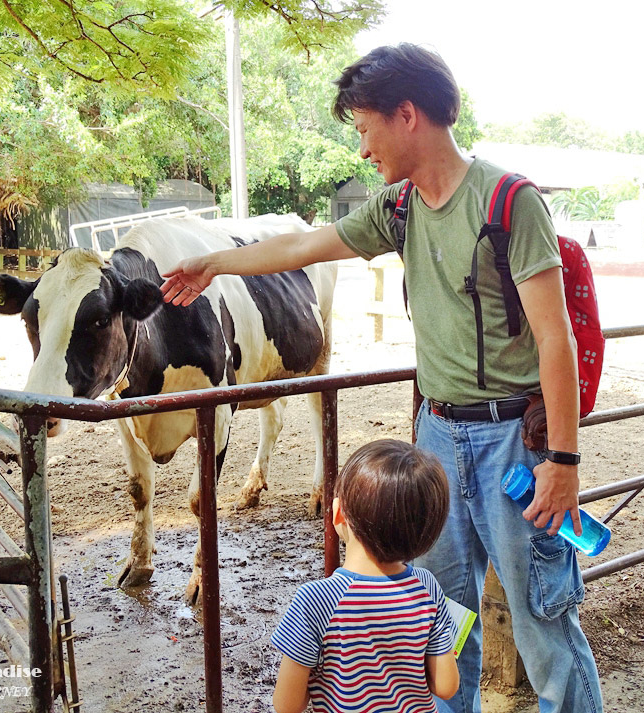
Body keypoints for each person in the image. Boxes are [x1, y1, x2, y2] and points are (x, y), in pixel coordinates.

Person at [160, 43, 604, 713]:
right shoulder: (399, 208)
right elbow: (305, 245)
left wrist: (563, 462)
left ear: (406, 115)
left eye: (365, 128)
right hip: (437, 439)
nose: (362, 147)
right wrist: (216, 262)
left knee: (543, 617)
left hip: (516, 440)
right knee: (447, 622)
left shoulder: (509, 203)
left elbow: (555, 338)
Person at [270, 439, 459, 713]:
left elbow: (286, 705)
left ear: (338, 513)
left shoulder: (315, 601)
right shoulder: (427, 588)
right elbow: (446, 686)